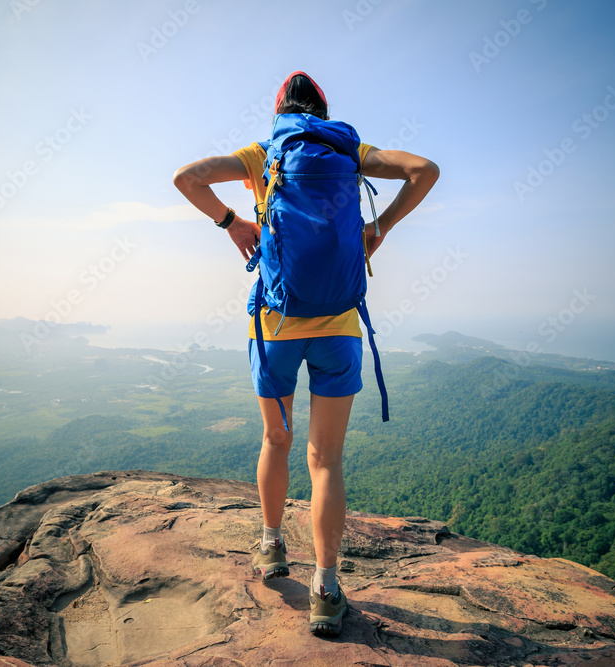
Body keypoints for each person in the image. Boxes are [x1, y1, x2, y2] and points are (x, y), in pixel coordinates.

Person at [172, 71, 439, 636]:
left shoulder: (264, 154)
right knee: (327, 461)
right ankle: (326, 585)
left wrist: (231, 222)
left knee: (276, 439)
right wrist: (380, 227)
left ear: (279, 112)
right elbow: (424, 171)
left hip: (275, 322)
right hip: (340, 325)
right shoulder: (349, 149)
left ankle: (271, 549)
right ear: (322, 110)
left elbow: (186, 178)